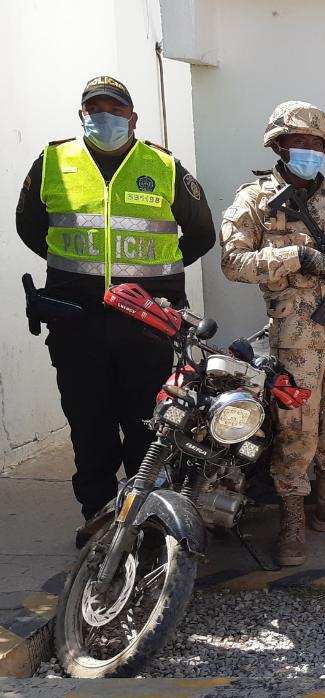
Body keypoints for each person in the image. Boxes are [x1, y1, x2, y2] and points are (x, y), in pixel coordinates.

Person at [15, 76, 215, 531]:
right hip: (76, 321)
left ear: (133, 118)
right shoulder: (52, 162)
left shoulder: (163, 166)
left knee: (148, 424)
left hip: (147, 322)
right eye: (95, 109)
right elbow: (30, 228)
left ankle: (141, 520)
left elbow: (201, 233)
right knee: (89, 426)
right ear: (82, 115)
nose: (105, 117)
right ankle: (99, 519)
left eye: (116, 110)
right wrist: (76, 274)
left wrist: (156, 275)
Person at [221, 100, 325, 566]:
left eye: (316, 143)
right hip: (296, 340)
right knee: (296, 431)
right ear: (278, 145)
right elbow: (233, 263)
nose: (308, 150)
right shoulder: (255, 201)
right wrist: (294, 257)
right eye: (298, 142)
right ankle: (292, 520)